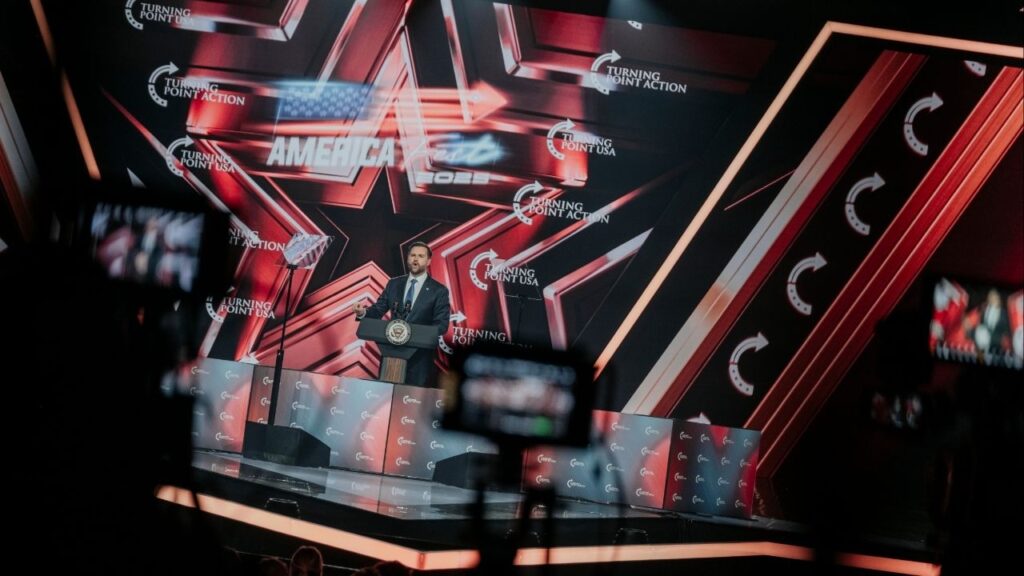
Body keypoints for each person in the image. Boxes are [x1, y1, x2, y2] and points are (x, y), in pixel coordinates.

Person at [352, 241, 451, 386]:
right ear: (408, 258)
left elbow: (441, 325)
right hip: (391, 354)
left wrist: (416, 333)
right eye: (413, 255)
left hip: (419, 359)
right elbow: (378, 309)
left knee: (410, 402)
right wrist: (362, 312)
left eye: (421, 256)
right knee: (385, 397)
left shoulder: (439, 290)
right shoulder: (394, 284)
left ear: (429, 261)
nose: (416, 259)